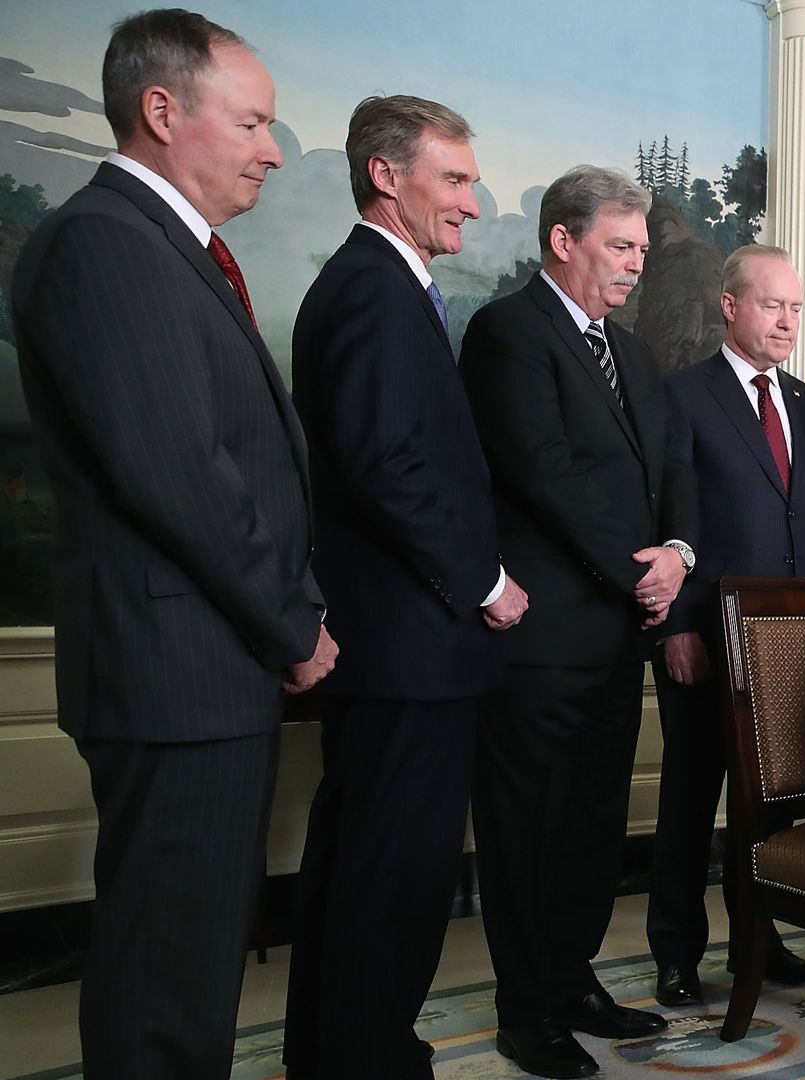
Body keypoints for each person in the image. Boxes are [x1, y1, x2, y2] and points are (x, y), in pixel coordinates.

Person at [8, 11, 334, 1075]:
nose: (273, 150)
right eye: (252, 122)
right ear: (163, 111)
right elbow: (182, 477)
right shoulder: (106, 245)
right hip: (175, 676)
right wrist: (294, 628)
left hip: (199, 672)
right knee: (166, 979)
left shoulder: (166, 251)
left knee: (192, 969)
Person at [281, 95, 526, 1078]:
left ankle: (339, 1053)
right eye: (456, 179)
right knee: (394, 880)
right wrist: (486, 582)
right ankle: (369, 1059)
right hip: (409, 648)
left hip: (396, 649)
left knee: (358, 871)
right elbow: (390, 466)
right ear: (387, 175)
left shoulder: (377, 284)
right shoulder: (375, 291)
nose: (473, 201)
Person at [461, 165, 698, 1078]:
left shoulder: (632, 352)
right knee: (530, 827)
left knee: (597, 822)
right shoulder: (506, 335)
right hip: (541, 639)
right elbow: (543, 473)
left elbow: (675, 463)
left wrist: (675, 551)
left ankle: (573, 979)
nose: (636, 264)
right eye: (620, 245)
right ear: (563, 240)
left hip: (616, 634)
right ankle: (528, 1011)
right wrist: (637, 574)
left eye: (642, 248)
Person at [649, 244, 805, 1006]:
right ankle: (676, 954)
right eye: (772, 305)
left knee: (770, 808)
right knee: (691, 802)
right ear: (731, 306)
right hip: (704, 635)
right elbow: (669, 522)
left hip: (789, 644)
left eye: (796, 307)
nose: (788, 320)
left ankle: (760, 940)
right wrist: (671, 630)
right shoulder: (682, 397)